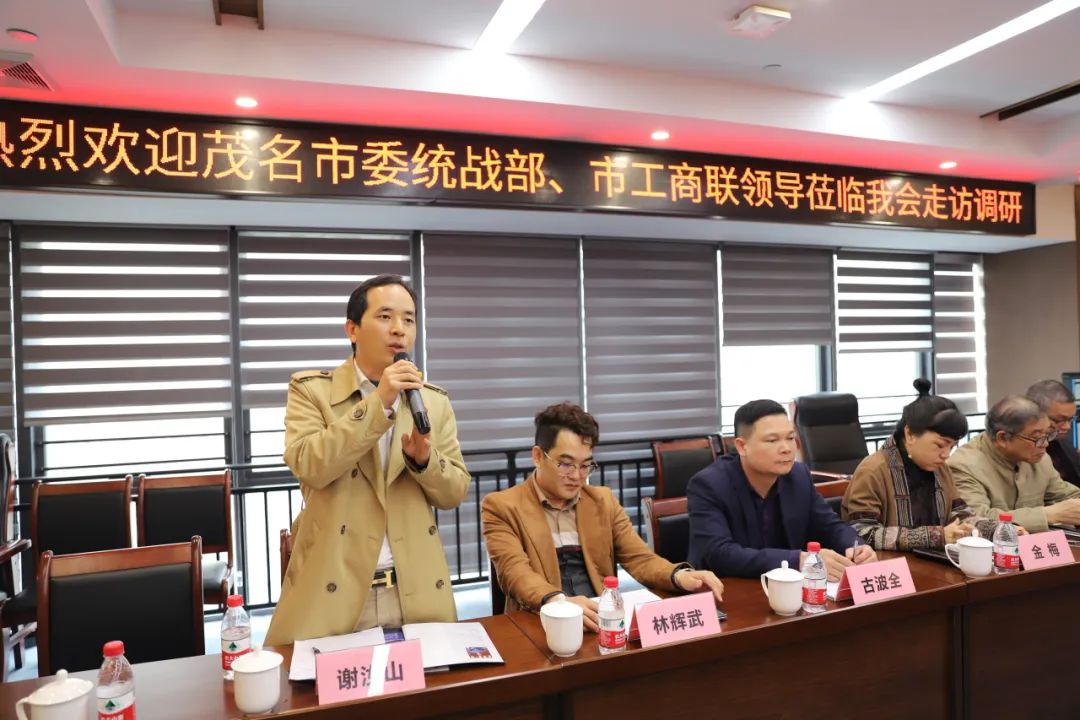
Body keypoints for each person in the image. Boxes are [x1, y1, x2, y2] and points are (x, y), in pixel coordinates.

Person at [265, 275, 470, 645]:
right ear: (352, 329)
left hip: (415, 592)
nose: (399, 329)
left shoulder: (432, 401)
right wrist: (380, 403)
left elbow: (454, 493)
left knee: (428, 684)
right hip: (335, 593)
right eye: (385, 316)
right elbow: (310, 465)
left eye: (409, 319)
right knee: (329, 684)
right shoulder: (312, 391)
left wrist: (424, 461)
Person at [481, 402, 724, 632]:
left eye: (585, 465)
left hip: (601, 622)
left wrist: (679, 576)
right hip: (541, 623)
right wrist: (560, 603)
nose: (577, 476)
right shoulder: (502, 506)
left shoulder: (602, 501)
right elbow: (516, 574)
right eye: (565, 464)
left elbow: (639, 558)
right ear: (537, 456)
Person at [688, 399, 876, 581]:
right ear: (742, 446)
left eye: (790, 438)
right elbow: (720, 554)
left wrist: (856, 546)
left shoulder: (798, 476)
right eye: (772, 440)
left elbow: (830, 526)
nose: (786, 448)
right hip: (728, 589)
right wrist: (798, 560)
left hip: (788, 589)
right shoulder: (708, 485)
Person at [842, 379, 1004, 550]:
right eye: (940, 445)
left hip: (934, 560)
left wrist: (998, 530)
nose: (946, 454)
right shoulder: (873, 470)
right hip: (890, 563)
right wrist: (936, 536)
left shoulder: (941, 469)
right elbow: (863, 533)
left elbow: (959, 515)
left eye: (951, 447)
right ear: (910, 434)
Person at [949, 395, 1080, 533]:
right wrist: (1048, 515)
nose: (1045, 444)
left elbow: (1065, 494)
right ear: (1002, 438)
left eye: (1047, 435)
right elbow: (974, 520)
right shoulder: (963, 466)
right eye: (1037, 438)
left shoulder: (1039, 458)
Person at [1026, 379, 1080, 489]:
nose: (1067, 427)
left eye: (1070, 419)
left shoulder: (1064, 443)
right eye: (1058, 420)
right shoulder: (1019, 450)